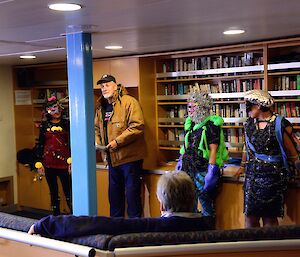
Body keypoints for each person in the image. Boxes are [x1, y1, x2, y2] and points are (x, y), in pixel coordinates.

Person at [28, 171, 213, 238]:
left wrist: (44, 224)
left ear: (162, 205)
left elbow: (96, 223)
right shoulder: (210, 228)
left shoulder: (150, 227)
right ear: (193, 199)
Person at [240, 89, 299, 228]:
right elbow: (246, 146)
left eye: (249, 106)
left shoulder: (280, 124)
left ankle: (269, 248)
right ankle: (251, 248)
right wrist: (242, 167)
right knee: (250, 217)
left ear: (259, 106)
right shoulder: (249, 124)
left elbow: (293, 152)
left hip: (273, 178)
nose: (246, 110)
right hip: (252, 177)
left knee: (270, 219)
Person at [94, 74, 146, 218]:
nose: (104, 89)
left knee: (132, 197)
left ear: (116, 86)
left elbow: (137, 126)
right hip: (111, 159)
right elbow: (96, 128)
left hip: (129, 159)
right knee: (114, 198)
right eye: (102, 86)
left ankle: (135, 231)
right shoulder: (101, 107)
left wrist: (117, 142)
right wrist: (98, 143)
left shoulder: (129, 102)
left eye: (107, 85)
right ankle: (116, 230)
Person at [176, 84, 228, 224]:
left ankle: (208, 231)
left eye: (193, 107)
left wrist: (211, 171)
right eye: (189, 107)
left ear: (202, 108)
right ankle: (193, 231)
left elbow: (213, 150)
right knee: (188, 201)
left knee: (205, 202)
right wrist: (180, 161)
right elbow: (186, 146)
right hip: (188, 168)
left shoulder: (211, 125)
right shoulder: (190, 124)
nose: (190, 110)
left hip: (203, 169)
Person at [34, 96, 72, 216]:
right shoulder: (44, 125)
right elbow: (40, 144)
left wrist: (72, 161)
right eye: (52, 108)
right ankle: (55, 217)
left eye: (57, 108)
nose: (56, 111)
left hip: (65, 164)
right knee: (54, 193)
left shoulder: (67, 123)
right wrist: (39, 163)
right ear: (47, 111)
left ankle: (74, 217)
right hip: (49, 163)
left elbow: (72, 143)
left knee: (69, 192)